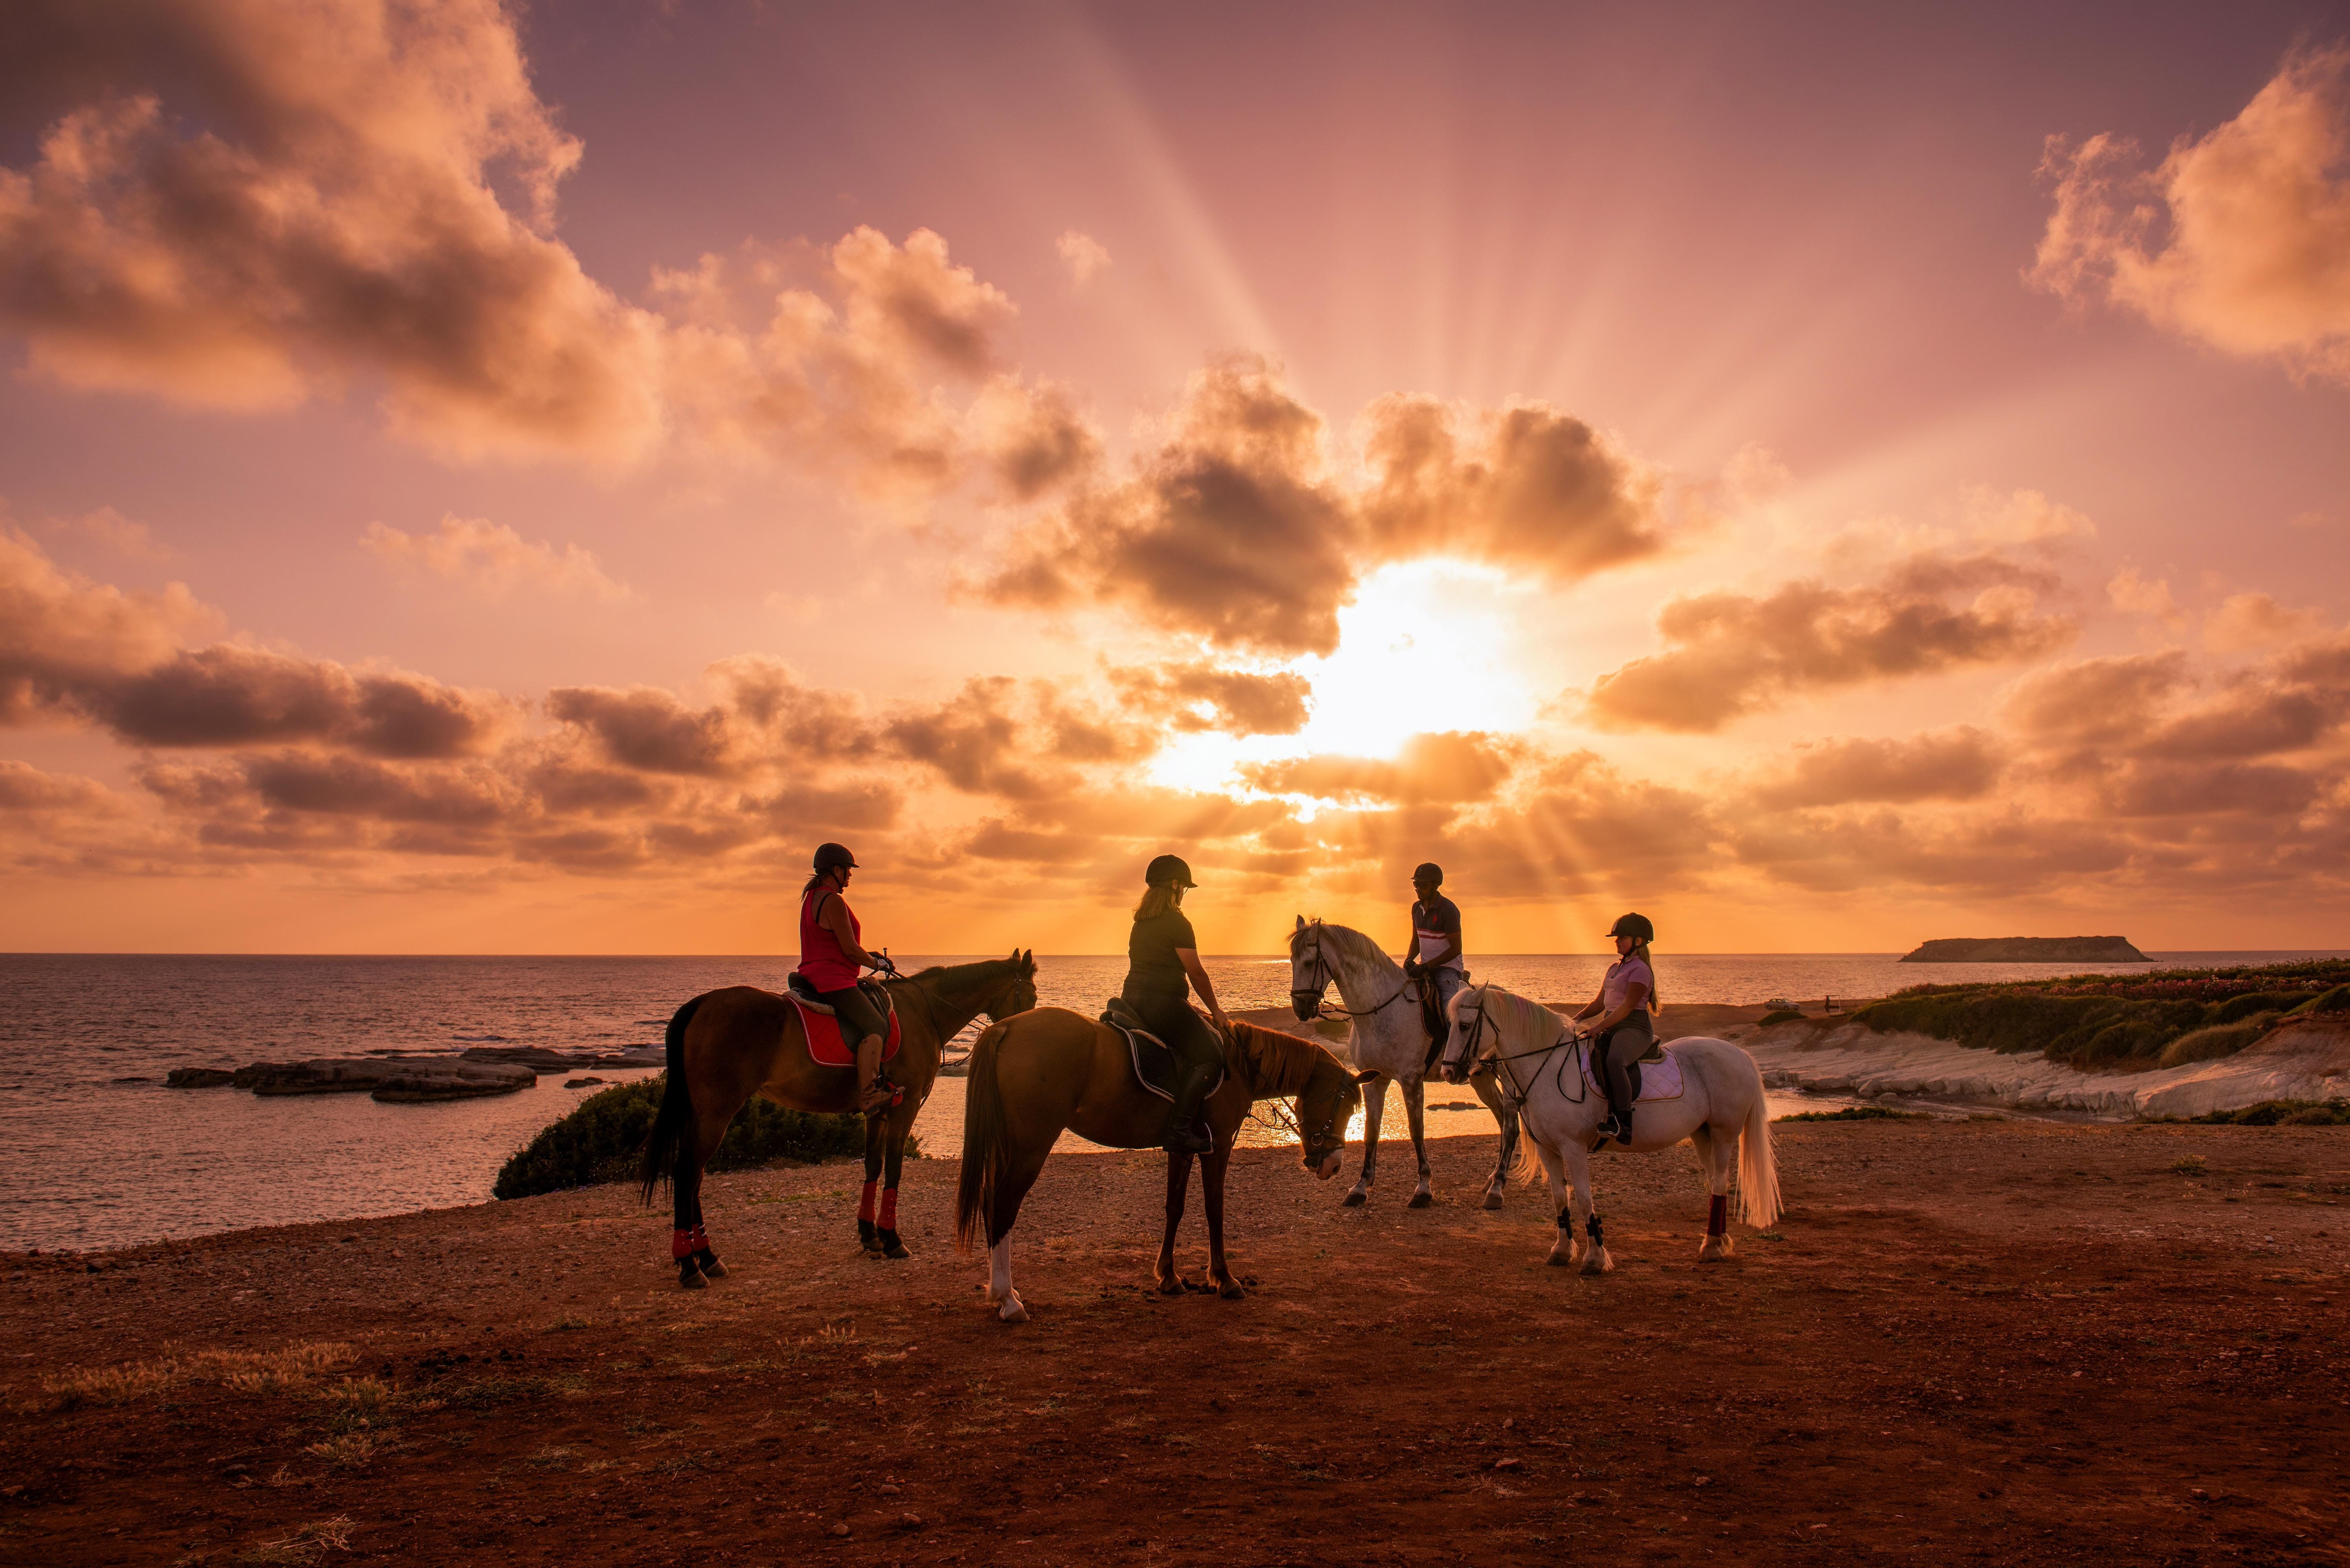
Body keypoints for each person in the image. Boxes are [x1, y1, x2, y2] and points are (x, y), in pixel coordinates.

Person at [1121, 853, 1231, 1155]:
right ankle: (1179, 1131)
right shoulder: (1177, 923)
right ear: (1174, 886)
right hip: (1162, 1003)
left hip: (1130, 998)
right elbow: (1195, 971)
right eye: (1182, 887)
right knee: (1211, 1056)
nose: (1183, 893)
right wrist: (1216, 1010)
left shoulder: (1140, 923)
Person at [797, 842, 898, 1114]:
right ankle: (868, 1095)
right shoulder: (833, 901)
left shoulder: (812, 898)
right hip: (834, 981)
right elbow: (849, 950)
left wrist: (869, 955)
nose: (851, 876)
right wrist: (877, 963)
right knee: (876, 1026)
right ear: (836, 870)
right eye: (848, 871)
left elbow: (832, 943)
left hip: (814, 974)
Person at [1574, 913, 1659, 1145]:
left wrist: (1598, 1027)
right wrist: (1578, 1018)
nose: (1617, 941)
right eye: (1617, 937)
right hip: (1613, 1024)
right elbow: (1601, 1003)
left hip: (1634, 1028)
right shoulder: (1614, 968)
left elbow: (1627, 1007)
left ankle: (1622, 1123)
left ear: (1639, 941)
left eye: (1622, 937)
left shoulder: (1641, 970)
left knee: (1615, 1060)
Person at [1399, 863, 1468, 1081]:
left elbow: (1455, 949)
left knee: (1450, 1011)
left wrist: (1428, 966)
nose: (1418, 888)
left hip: (1447, 968)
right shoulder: (1416, 908)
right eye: (1416, 884)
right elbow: (1416, 939)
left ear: (1436, 885)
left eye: (1423, 885)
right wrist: (1409, 959)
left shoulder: (1449, 910)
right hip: (1425, 966)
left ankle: (1461, 1060)